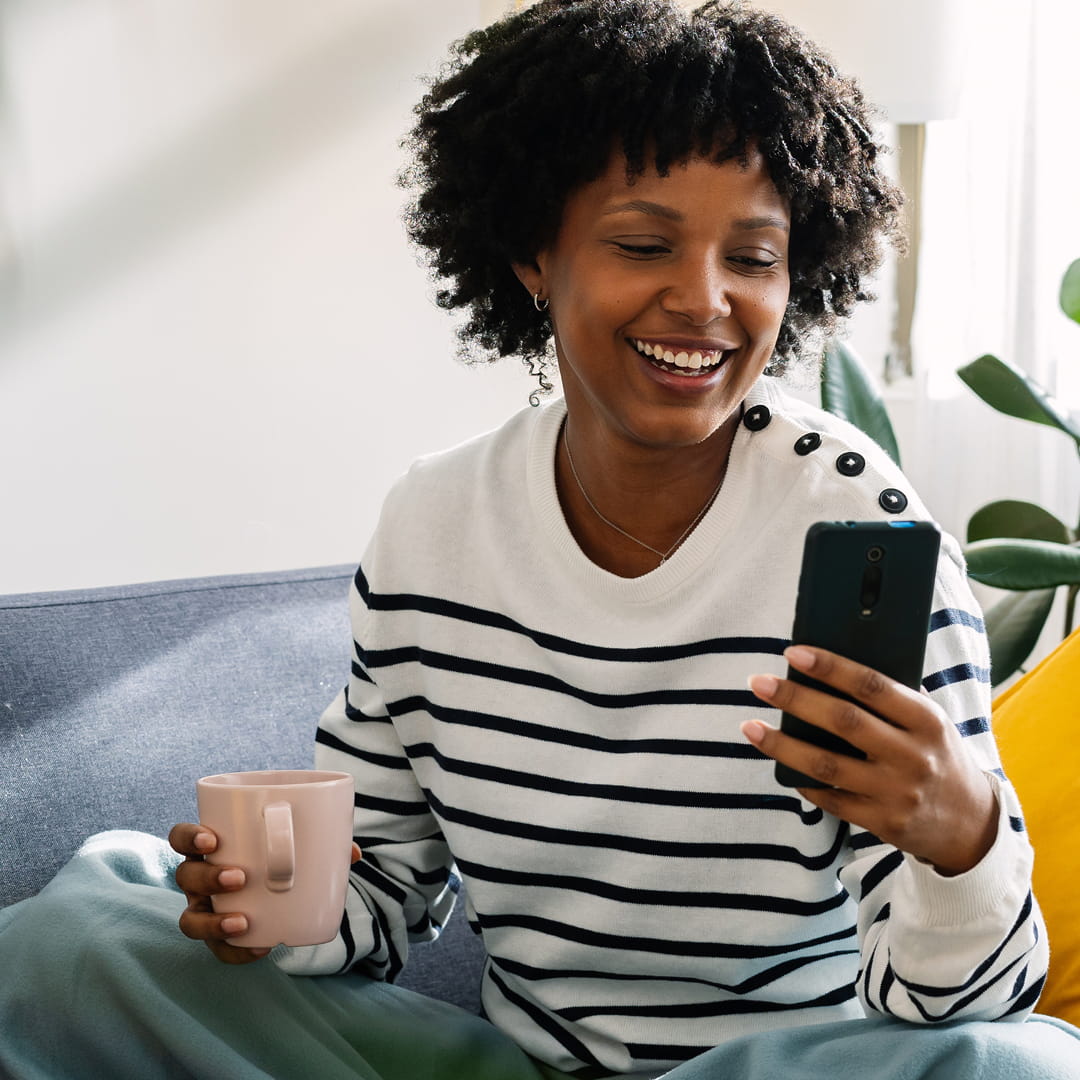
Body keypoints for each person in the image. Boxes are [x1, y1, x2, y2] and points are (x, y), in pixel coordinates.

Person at [1, 2, 1078, 1078]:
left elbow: (959, 1006)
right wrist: (268, 913)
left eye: (753, 258)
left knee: (1027, 1067)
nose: (704, 301)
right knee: (86, 927)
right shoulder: (435, 527)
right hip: (524, 1069)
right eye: (644, 244)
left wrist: (962, 836)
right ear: (532, 253)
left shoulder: (863, 538)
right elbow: (383, 905)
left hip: (796, 1069)